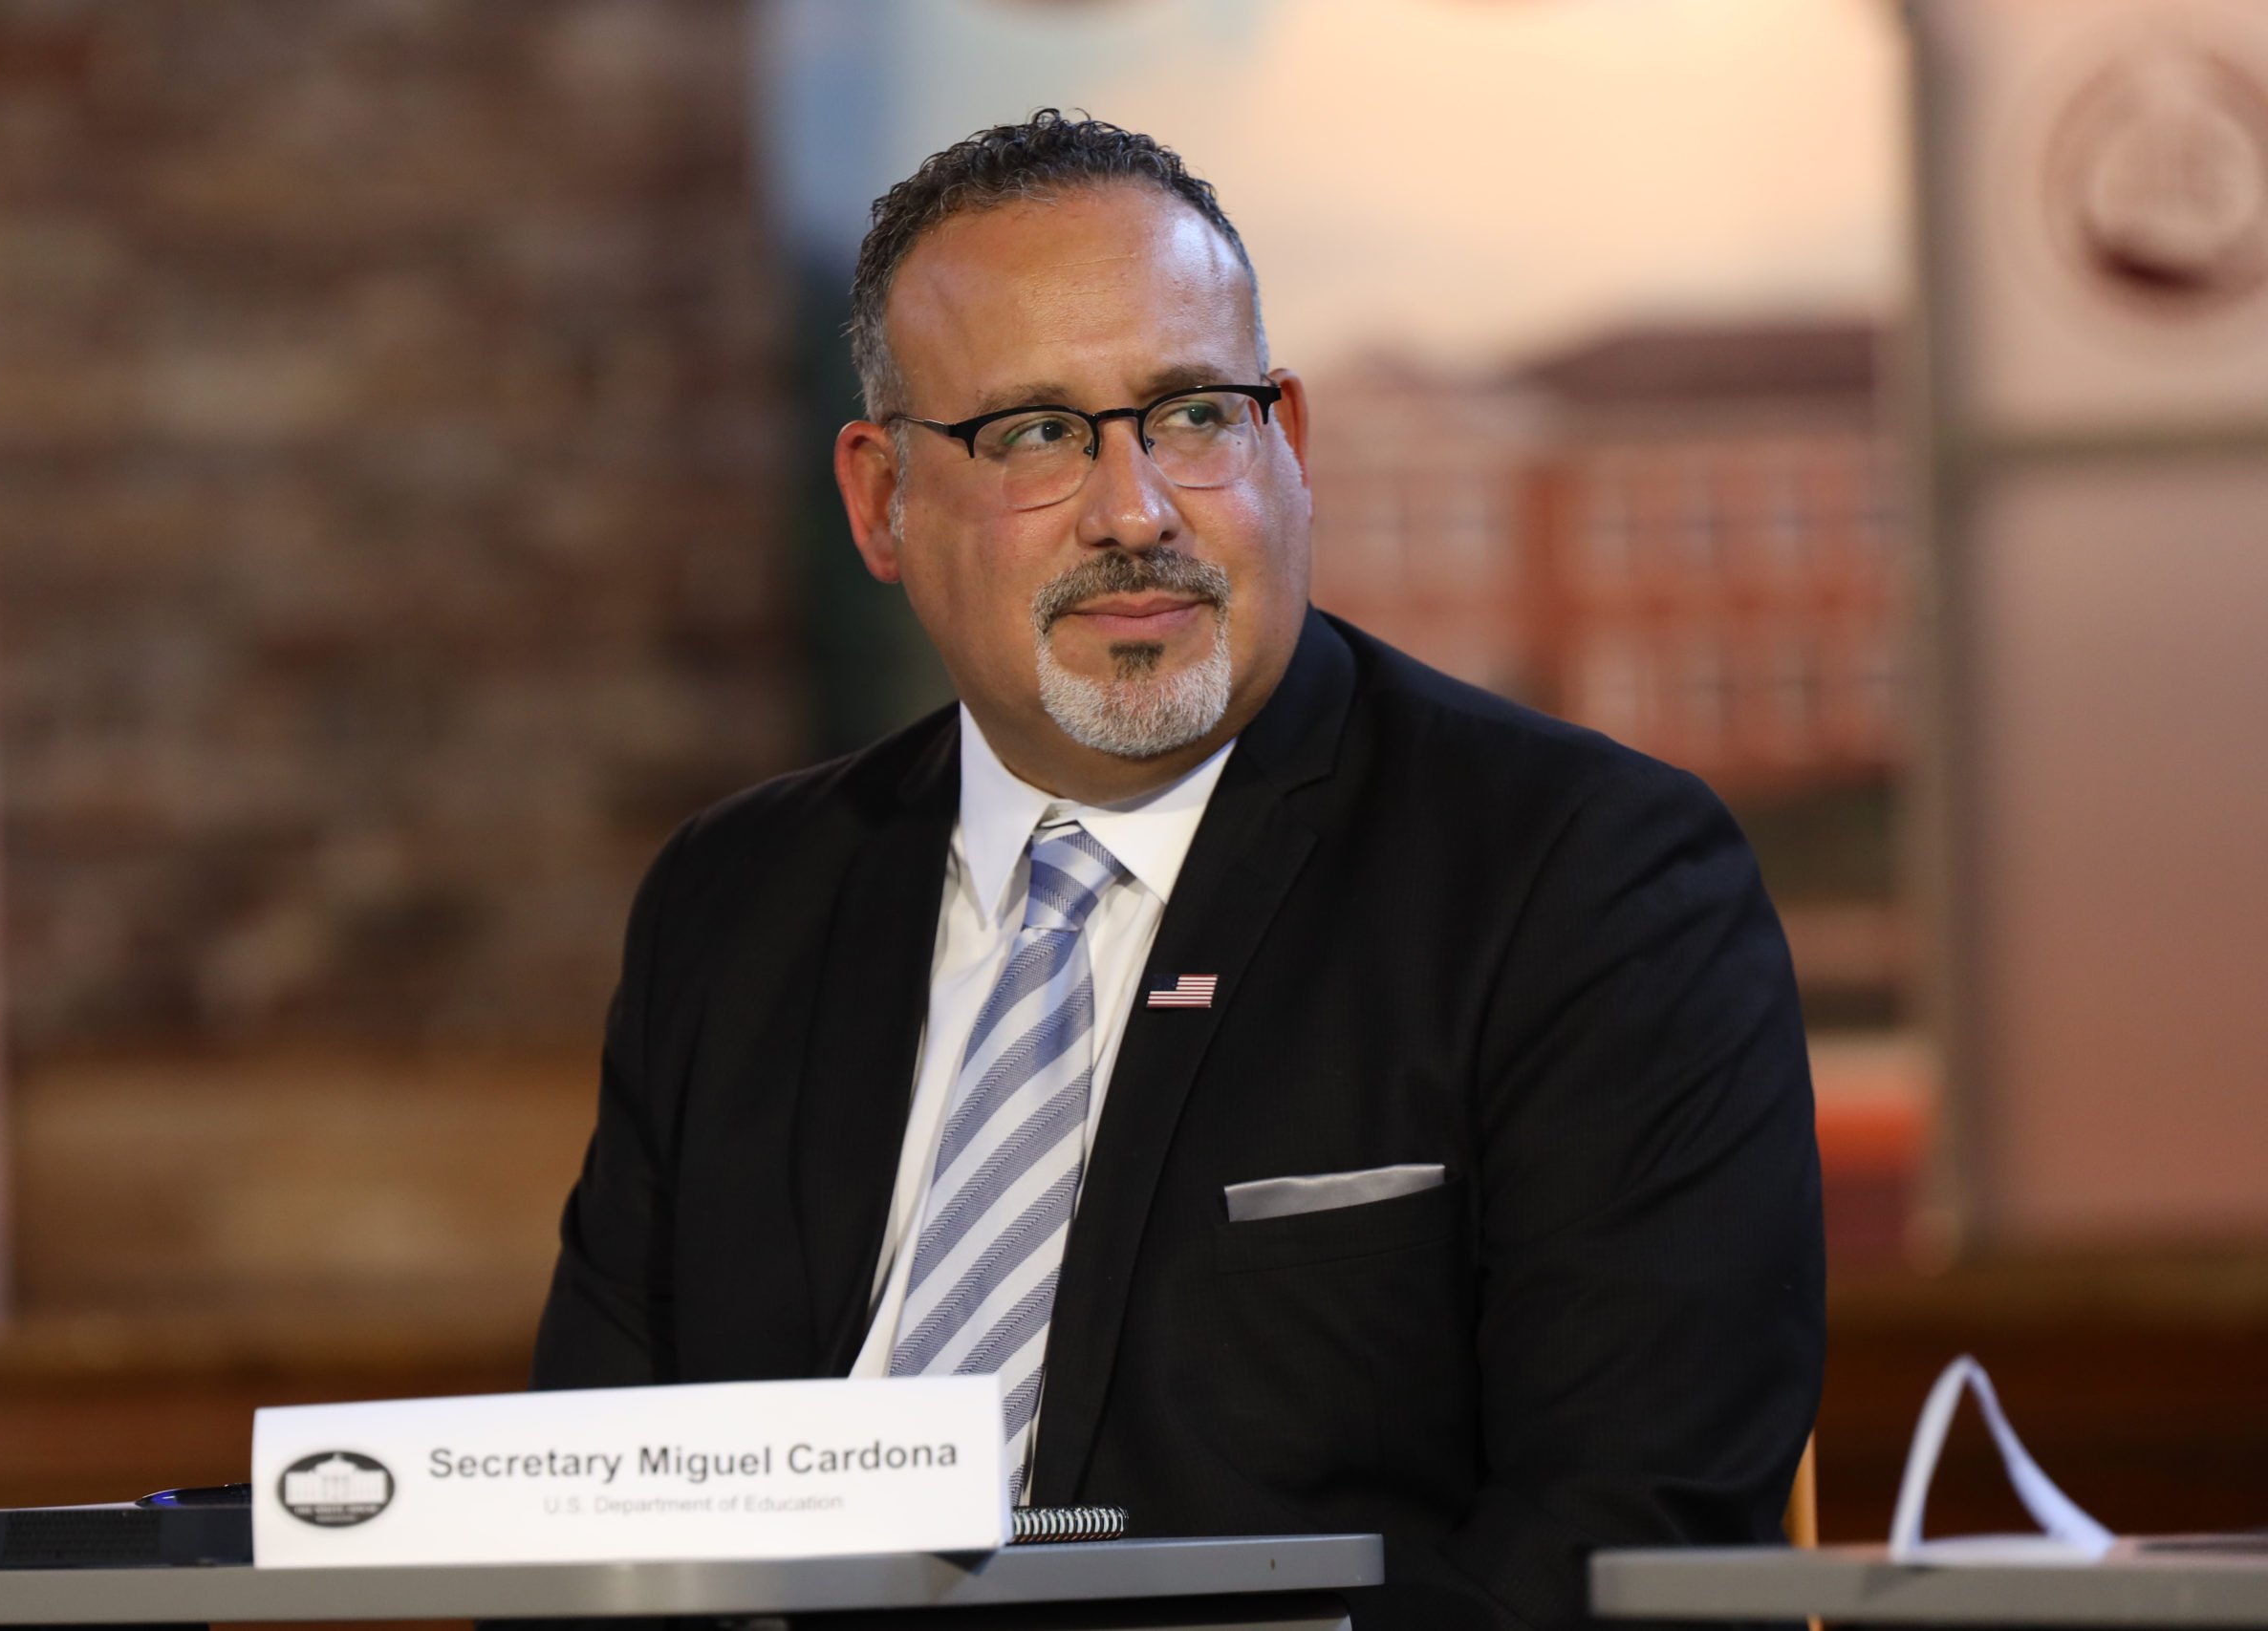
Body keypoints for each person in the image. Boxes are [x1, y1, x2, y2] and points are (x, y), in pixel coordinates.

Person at [532, 111, 1824, 1631]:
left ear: (1287, 440)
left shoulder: (1585, 880)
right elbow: (584, 1520)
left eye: (1191, 416)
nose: (1134, 511)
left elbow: (1628, 1544)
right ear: (882, 500)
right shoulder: (737, 905)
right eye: (1033, 434)